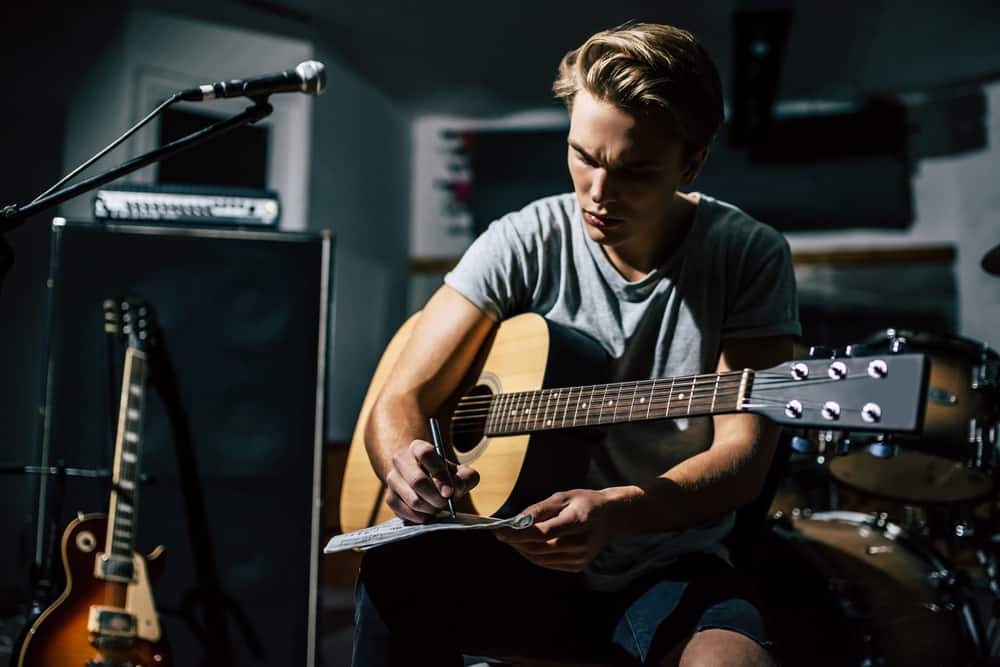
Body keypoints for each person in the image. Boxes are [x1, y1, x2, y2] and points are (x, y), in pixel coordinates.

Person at [352, 22, 799, 667]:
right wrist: (404, 462)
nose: (598, 193)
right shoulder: (523, 239)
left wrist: (618, 511)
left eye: (635, 172)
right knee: (394, 579)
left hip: (665, 558)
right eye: (584, 156)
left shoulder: (746, 253)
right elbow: (404, 395)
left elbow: (743, 457)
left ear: (691, 161)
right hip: (506, 551)